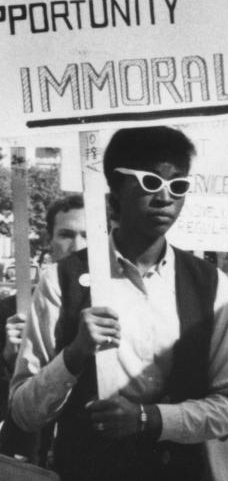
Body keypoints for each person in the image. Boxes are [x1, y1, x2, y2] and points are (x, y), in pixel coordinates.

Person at [9, 125, 228, 481]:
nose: (166, 197)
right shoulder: (62, 280)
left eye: (178, 186)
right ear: (114, 191)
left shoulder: (212, 286)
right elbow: (24, 412)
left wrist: (149, 418)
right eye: (151, 182)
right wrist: (73, 356)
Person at [0, 194, 87, 465]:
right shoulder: (10, 310)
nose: (78, 246)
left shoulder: (117, 305)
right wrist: (7, 362)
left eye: (87, 235)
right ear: (50, 240)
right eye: (66, 234)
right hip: (26, 458)